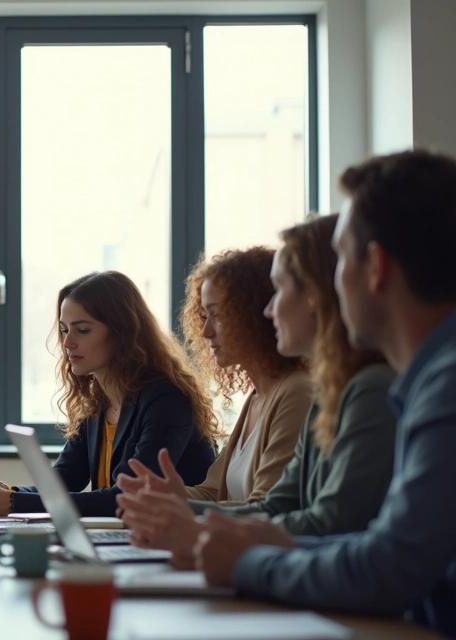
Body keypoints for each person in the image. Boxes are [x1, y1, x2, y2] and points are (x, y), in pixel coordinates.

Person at [194, 150, 456, 637]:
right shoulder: (426, 380)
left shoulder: (444, 386)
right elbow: (373, 545)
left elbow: (388, 565)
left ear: (375, 266)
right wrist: (249, 542)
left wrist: (251, 560)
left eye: (339, 264)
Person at [116, 214, 397, 567]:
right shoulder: (319, 392)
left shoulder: (322, 391)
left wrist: (198, 531)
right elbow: (278, 506)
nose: (269, 310)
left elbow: (327, 523)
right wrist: (175, 507)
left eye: (278, 293)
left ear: (315, 295)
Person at [0, 271, 219, 517]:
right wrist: (6, 492)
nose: (67, 343)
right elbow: (64, 480)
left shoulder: (166, 400)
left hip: (177, 541)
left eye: (82, 330)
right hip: (128, 537)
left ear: (123, 333)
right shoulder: (97, 401)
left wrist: (13, 503)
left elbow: (126, 497)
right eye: (65, 330)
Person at [176, 247, 312, 505]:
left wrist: (176, 507)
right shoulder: (256, 397)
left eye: (218, 315)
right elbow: (211, 492)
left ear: (255, 314)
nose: (205, 332)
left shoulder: (296, 392)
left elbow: (266, 507)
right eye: (204, 316)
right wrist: (159, 496)